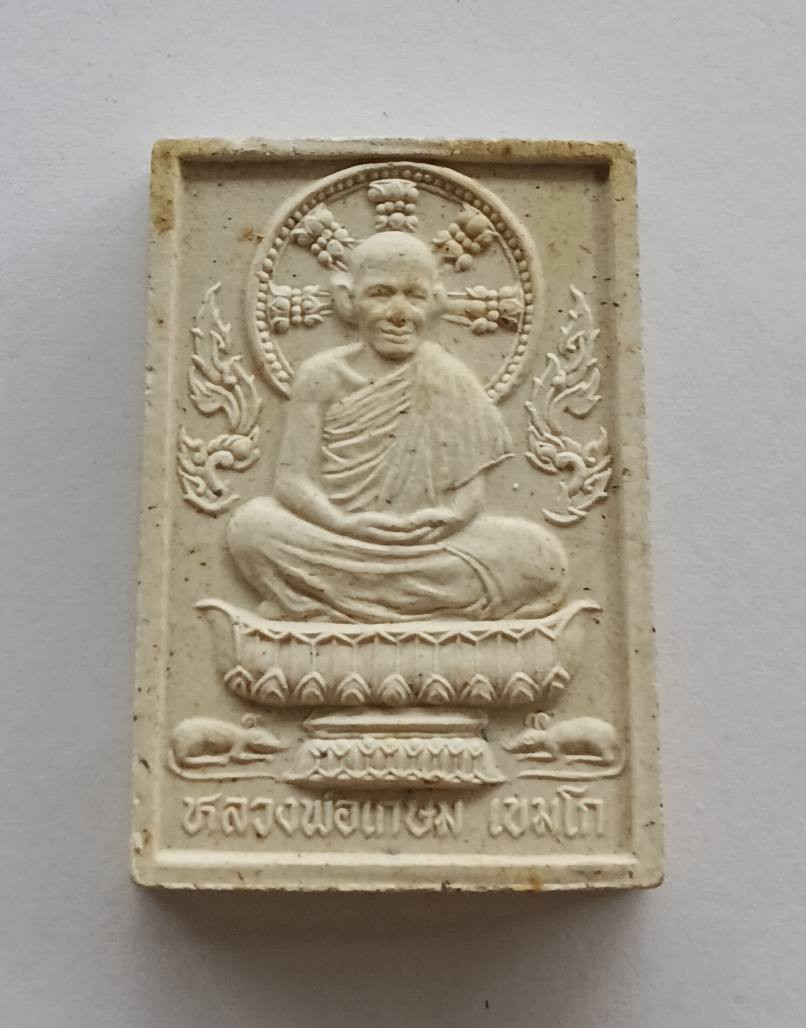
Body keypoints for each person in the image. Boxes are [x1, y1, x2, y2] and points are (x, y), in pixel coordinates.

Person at [228, 231, 568, 623]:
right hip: (338, 538)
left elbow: (469, 498)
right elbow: (291, 481)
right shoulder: (321, 375)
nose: (399, 313)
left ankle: (338, 597)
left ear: (436, 302)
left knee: (539, 554)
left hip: (429, 544)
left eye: (415, 296)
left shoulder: (450, 376)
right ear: (346, 300)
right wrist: (344, 524)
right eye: (380, 293)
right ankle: (405, 600)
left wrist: (450, 519)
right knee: (252, 526)